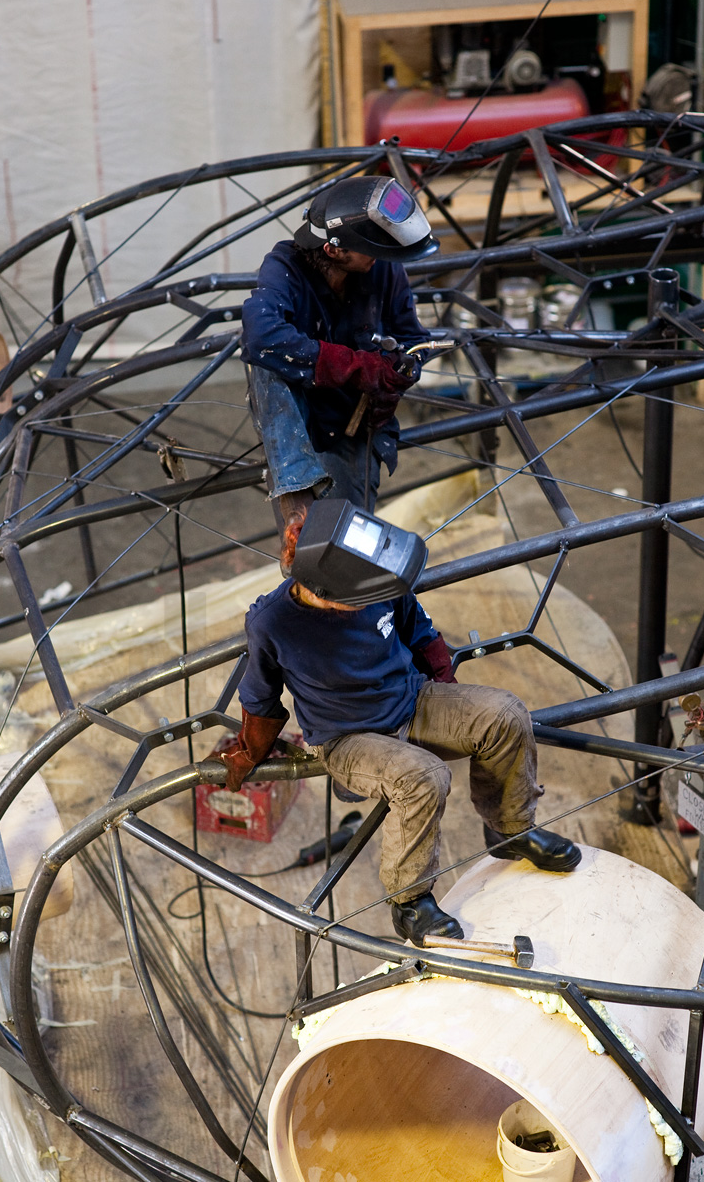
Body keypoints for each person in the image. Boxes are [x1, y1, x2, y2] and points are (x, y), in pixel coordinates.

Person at [215, 505, 581, 947]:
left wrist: (453, 700)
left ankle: (510, 830)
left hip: (410, 700)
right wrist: (247, 753)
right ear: (322, 590)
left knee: (505, 714)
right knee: (423, 777)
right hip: (347, 738)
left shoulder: (376, 578)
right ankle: (410, 904)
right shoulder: (272, 622)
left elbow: (422, 636)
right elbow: (260, 698)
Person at [241, 175, 438, 566]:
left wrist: (401, 370)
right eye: (370, 251)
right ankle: (297, 495)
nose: (380, 259)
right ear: (334, 250)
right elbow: (260, 335)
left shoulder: (382, 270)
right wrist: (354, 366)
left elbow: (414, 338)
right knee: (313, 554)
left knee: (352, 556)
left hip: (358, 423)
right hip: (305, 424)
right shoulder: (285, 267)